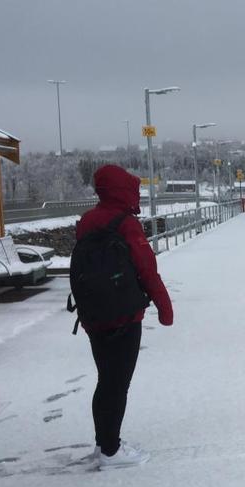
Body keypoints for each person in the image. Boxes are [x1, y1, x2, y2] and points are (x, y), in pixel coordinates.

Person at [75, 165, 173, 470]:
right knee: (118, 384)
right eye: (134, 190)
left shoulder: (87, 221)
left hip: (93, 316)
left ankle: (103, 443)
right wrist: (165, 307)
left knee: (106, 380)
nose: (138, 194)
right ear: (123, 192)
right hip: (125, 316)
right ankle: (111, 451)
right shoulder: (127, 224)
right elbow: (146, 269)